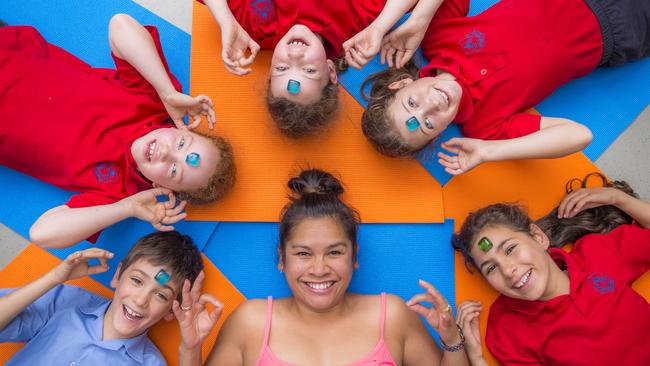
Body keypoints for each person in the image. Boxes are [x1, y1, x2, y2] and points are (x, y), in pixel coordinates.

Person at [0, 15, 236, 248]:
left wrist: (127, 208)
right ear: (185, 128)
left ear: (164, 188)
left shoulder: (118, 193)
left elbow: (42, 233)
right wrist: (166, 91)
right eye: (182, 143)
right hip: (8, 51)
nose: (167, 153)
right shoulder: (155, 102)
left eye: (174, 170)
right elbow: (120, 25)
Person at [198, 168, 468, 365]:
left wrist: (452, 338)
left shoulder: (392, 316)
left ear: (354, 256)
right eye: (304, 253)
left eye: (334, 252)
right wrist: (190, 347)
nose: (319, 269)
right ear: (282, 259)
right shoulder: (250, 322)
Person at [360, 0, 649, 175]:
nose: (431, 106)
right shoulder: (485, 128)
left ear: (402, 83)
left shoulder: (437, 39)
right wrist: (489, 152)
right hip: (622, 29)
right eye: (427, 124)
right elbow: (579, 135)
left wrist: (419, 21)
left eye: (412, 103)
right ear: (438, 135)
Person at [451, 173, 650, 365]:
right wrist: (476, 358)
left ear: (538, 237)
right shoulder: (506, 331)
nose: (507, 269)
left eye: (510, 249)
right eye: (491, 268)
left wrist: (617, 198)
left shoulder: (597, 253)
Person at [198, 0, 430, 138]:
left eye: (282, 67)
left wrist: (225, 20)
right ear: (330, 71)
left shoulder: (257, 28)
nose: (295, 55)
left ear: (269, 71)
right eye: (308, 70)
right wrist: (381, 26)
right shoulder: (357, 24)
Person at [0, 231, 224, 366]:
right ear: (118, 275)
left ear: (169, 312)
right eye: (137, 280)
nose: (140, 300)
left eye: (161, 294)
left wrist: (191, 348)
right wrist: (54, 278)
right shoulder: (66, 302)